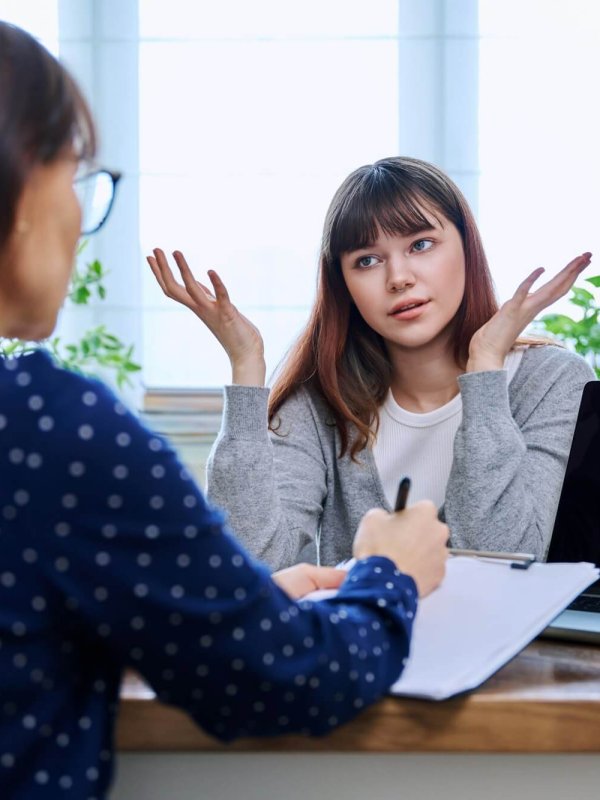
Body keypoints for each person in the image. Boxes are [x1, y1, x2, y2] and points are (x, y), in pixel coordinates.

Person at [0, 22, 450, 800]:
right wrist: (390, 575)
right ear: (18, 186)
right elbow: (285, 679)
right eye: (76, 176)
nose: (81, 219)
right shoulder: (52, 432)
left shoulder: (544, 379)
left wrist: (213, 612)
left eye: (421, 245)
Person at [149, 160, 595, 570]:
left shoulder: (552, 381)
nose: (398, 277)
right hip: (360, 656)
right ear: (343, 283)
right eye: (367, 260)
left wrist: (484, 372)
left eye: (421, 244)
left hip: (514, 659)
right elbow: (249, 568)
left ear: (467, 247)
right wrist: (246, 368)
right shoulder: (321, 402)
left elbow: (504, 562)